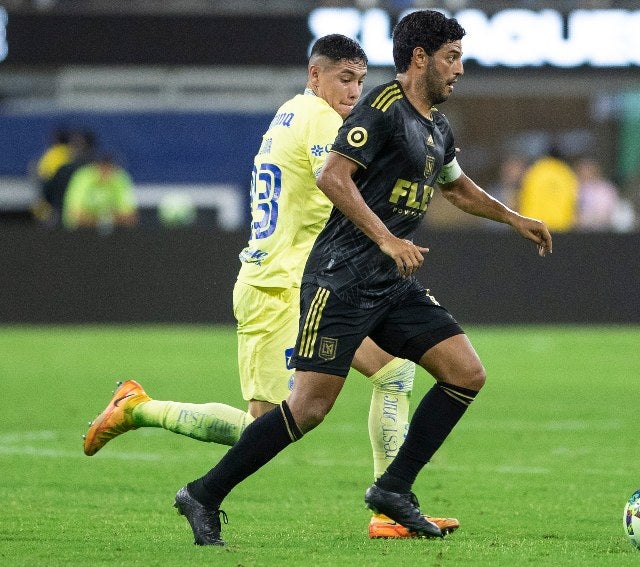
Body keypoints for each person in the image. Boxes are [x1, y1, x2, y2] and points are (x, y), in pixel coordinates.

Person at [172, 10, 552, 546]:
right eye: (452, 57)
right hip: (341, 278)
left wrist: (514, 217)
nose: (460, 69)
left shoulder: (436, 127)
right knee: (308, 408)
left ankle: (394, 489)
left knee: (465, 372)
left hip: (390, 283)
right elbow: (333, 175)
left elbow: (456, 187)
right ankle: (203, 495)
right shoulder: (380, 109)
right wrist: (386, 238)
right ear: (420, 57)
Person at [82, 34, 456, 539]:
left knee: (392, 375)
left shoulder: (291, 113)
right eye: (344, 79)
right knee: (263, 427)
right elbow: (338, 181)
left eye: (361, 81)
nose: (353, 91)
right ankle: (140, 408)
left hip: (310, 284)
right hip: (277, 287)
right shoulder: (321, 121)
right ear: (314, 75)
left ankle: (390, 509)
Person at [62, 152, 138, 230]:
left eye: (110, 169)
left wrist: (98, 219)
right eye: (103, 168)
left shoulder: (120, 178)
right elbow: (73, 215)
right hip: (79, 234)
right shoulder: (83, 177)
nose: (106, 173)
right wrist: (107, 219)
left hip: (114, 235)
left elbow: (130, 217)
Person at [517, 144, 579, 231]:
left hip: (534, 225)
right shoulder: (567, 173)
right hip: (561, 226)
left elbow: (522, 197)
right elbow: (573, 201)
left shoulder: (535, 171)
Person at [31, 128, 73, 223]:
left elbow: (41, 174)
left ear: (56, 140)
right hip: (70, 192)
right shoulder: (72, 153)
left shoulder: (51, 155)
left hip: (54, 191)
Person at [575, 157, 618, 231]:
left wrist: (583, 219)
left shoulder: (605, 190)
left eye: (589, 170)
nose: (585, 174)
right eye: (582, 171)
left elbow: (604, 216)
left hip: (601, 232)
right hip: (576, 232)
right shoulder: (574, 187)